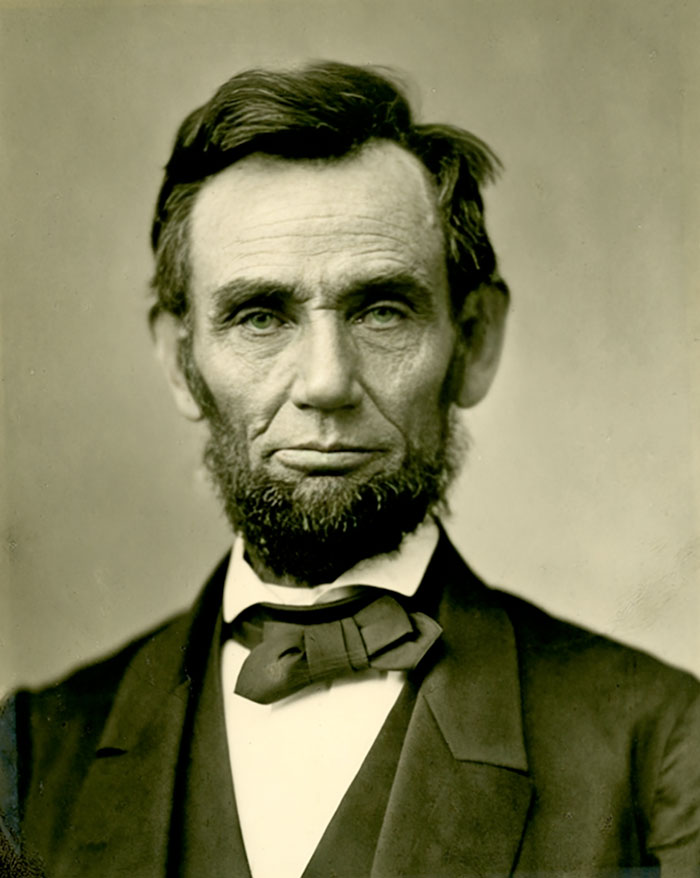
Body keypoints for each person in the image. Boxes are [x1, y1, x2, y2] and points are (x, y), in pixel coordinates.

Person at [1, 61, 698, 878]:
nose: (326, 382)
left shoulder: (662, 746)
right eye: (260, 317)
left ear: (474, 343)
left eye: (382, 311)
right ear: (179, 362)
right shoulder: (29, 759)